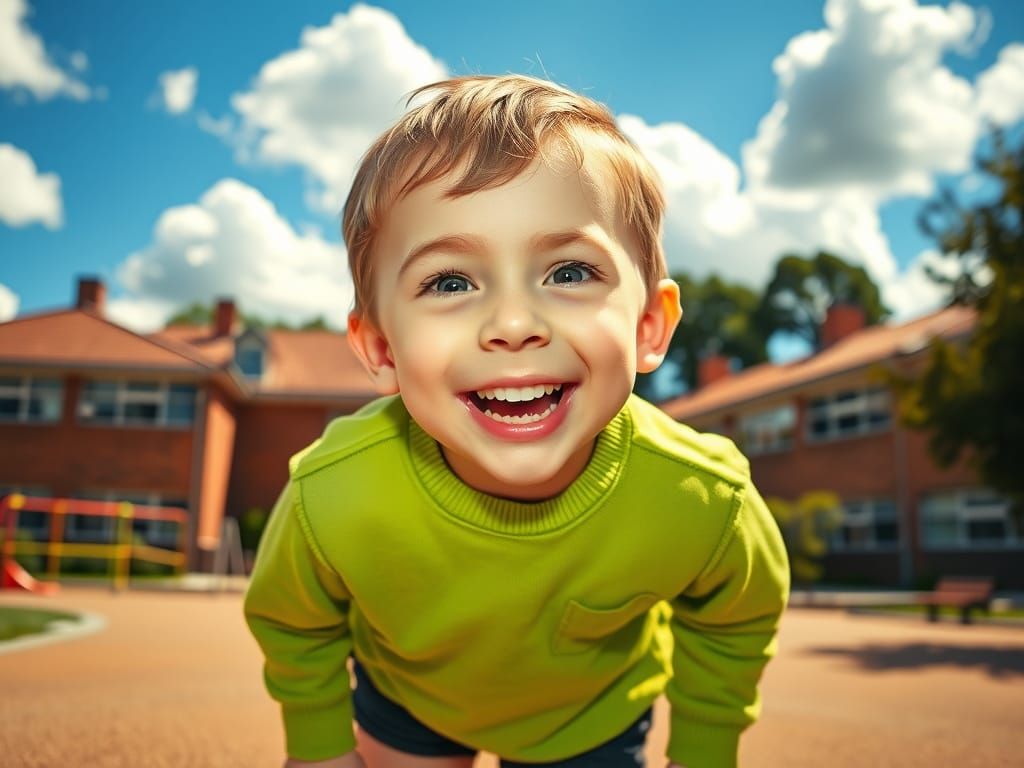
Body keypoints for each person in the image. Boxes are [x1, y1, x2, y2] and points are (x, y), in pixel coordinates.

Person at [244, 74, 789, 768]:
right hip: (409, 696)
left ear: (649, 326)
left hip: (590, 717)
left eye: (567, 272)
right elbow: (292, 619)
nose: (511, 324)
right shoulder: (334, 491)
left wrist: (705, 749)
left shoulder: (702, 499)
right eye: (450, 282)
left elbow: (737, 614)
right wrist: (317, 745)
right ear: (381, 348)